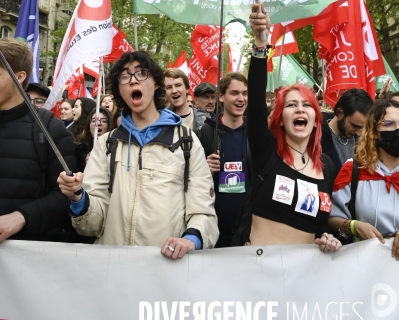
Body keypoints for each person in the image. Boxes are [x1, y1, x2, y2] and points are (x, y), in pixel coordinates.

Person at [57, 50, 218, 257]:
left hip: (166, 270)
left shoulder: (186, 143)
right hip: (113, 270)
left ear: (157, 84)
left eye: (142, 73)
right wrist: (78, 197)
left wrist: (190, 239)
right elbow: (92, 226)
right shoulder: (107, 144)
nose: (133, 81)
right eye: (125, 76)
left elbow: (204, 213)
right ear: (119, 90)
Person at [238, 5, 340, 253]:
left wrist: (328, 237)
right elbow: (255, 100)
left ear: (317, 119)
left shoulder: (327, 167)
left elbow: (321, 224)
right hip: (258, 275)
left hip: (303, 282)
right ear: (280, 119)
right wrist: (261, 45)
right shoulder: (267, 153)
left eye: (307, 105)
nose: (300, 110)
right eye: (291, 105)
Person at [0, 38, 76, 242]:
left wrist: (22, 217)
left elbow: (67, 196)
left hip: (28, 258)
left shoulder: (50, 128)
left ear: (19, 77)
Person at [329, 99, 399, 259]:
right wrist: (353, 226)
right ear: (374, 132)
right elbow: (332, 217)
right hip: (364, 269)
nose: (397, 129)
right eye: (388, 124)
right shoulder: (353, 170)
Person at [197, 72, 249, 247]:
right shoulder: (206, 132)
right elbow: (191, 180)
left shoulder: (255, 133)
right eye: (234, 93)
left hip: (248, 232)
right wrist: (205, 169)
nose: (241, 98)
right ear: (221, 96)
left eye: (245, 93)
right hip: (214, 230)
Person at [321, 88, 373, 174]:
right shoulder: (317, 139)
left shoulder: (363, 141)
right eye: (355, 125)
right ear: (340, 113)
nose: (360, 133)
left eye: (364, 128)